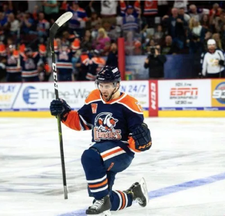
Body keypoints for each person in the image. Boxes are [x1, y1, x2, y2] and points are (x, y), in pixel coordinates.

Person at [50, 65, 151, 215]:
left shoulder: (129, 104)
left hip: (121, 152)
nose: (104, 89)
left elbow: (137, 140)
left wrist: (142, 142)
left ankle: (103, 201)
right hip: (101, 150)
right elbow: (81, 122)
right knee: (104, 197)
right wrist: (64, 113)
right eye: (101, 85)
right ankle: (134, 194)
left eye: (108, 86)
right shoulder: (94, 98)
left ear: (117, 85)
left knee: (89, 157)